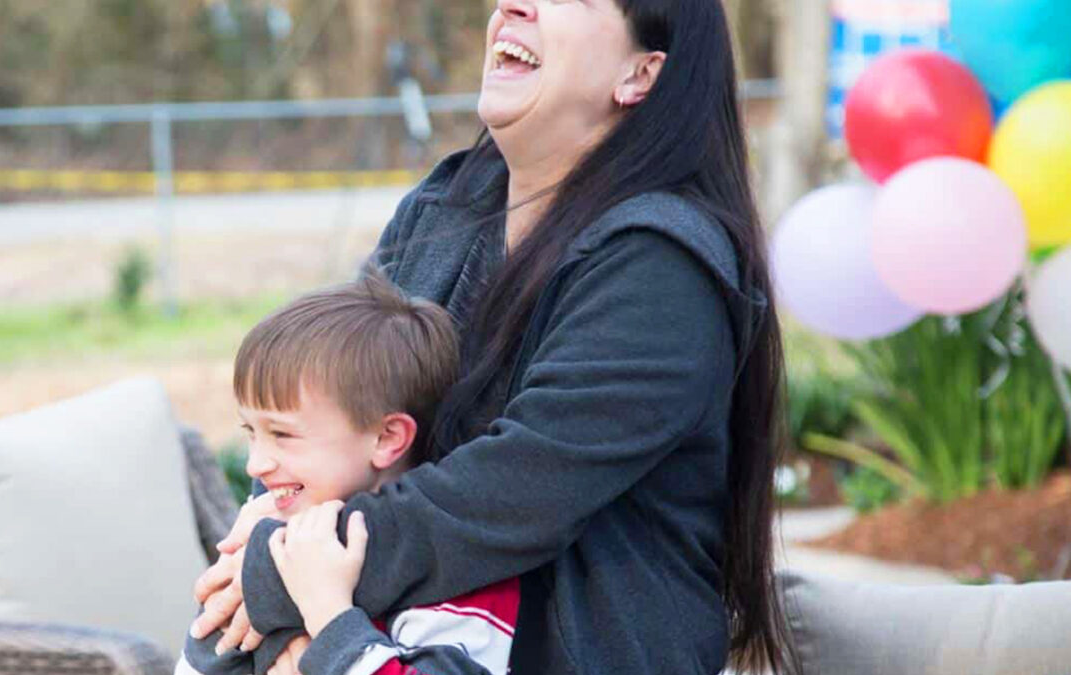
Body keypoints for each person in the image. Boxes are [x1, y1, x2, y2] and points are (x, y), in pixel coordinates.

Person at [193, 0, 796, 672]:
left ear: (640, 73)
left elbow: (512, 493)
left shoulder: (661, 266)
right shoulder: (445, 205)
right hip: (375, 635)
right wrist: (271, 530)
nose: (512, 4)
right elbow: (325, 398)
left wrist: (281, 570)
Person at [177, 274, 520, 675]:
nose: (256, 465)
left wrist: (328, 617)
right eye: (251, 433)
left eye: (283, 434)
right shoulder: (271, 539)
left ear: (387, 438)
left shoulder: (460, 577)